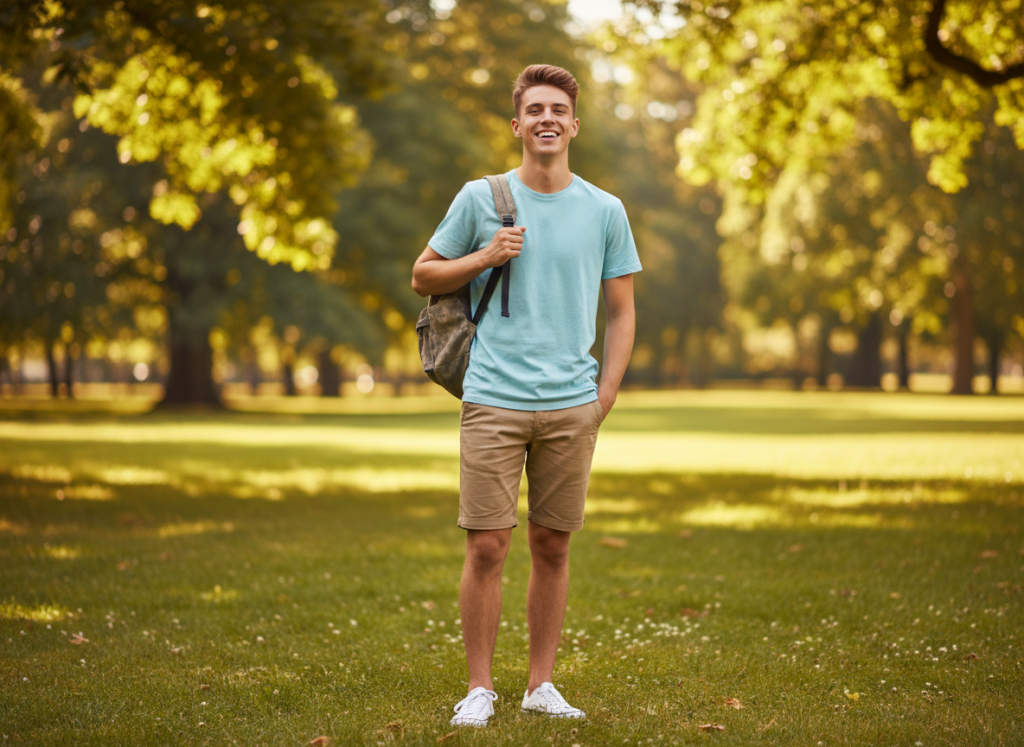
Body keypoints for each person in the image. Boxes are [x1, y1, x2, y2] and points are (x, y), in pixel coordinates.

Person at [411, 63, 641, 727]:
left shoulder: (605, 209)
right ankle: (480, 688)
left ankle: (541, 684)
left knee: (553, 545)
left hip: (572, 403)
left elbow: (622, 311)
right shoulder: (480, 197)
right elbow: (423, 274)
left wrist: (605, 394)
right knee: (487, 546)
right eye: (535, 109)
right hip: (493, 396)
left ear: (574, 125)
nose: (546, 119)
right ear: (517, 124)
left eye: (557, 110)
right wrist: (484, 256)